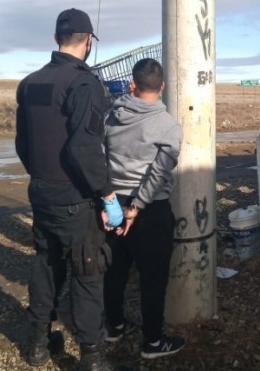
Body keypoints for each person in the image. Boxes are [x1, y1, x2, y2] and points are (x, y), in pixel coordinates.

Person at [15, 8, 124, 370]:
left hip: (41, 191)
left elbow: (22, 143)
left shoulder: (30, 83)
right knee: (87, 272)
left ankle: (37, 344)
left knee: (46, 264)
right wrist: (108, 195)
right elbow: (84, 148)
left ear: (56, 39)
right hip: (75, 198)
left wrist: (42, 176)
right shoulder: (84, 84)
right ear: (89, 41)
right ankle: (92, 356)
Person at [102, 58, 185, 359]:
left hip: (112, 204)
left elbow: (101, 159)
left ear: (131, 85)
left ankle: (113, 327)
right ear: (162, 87)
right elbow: (158, 173)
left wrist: (109, 201)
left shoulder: (111, 117)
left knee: (114, 271)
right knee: (153, 278)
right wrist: (136, 207)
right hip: (150, 211)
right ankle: (152, 342)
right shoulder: (169, 127)